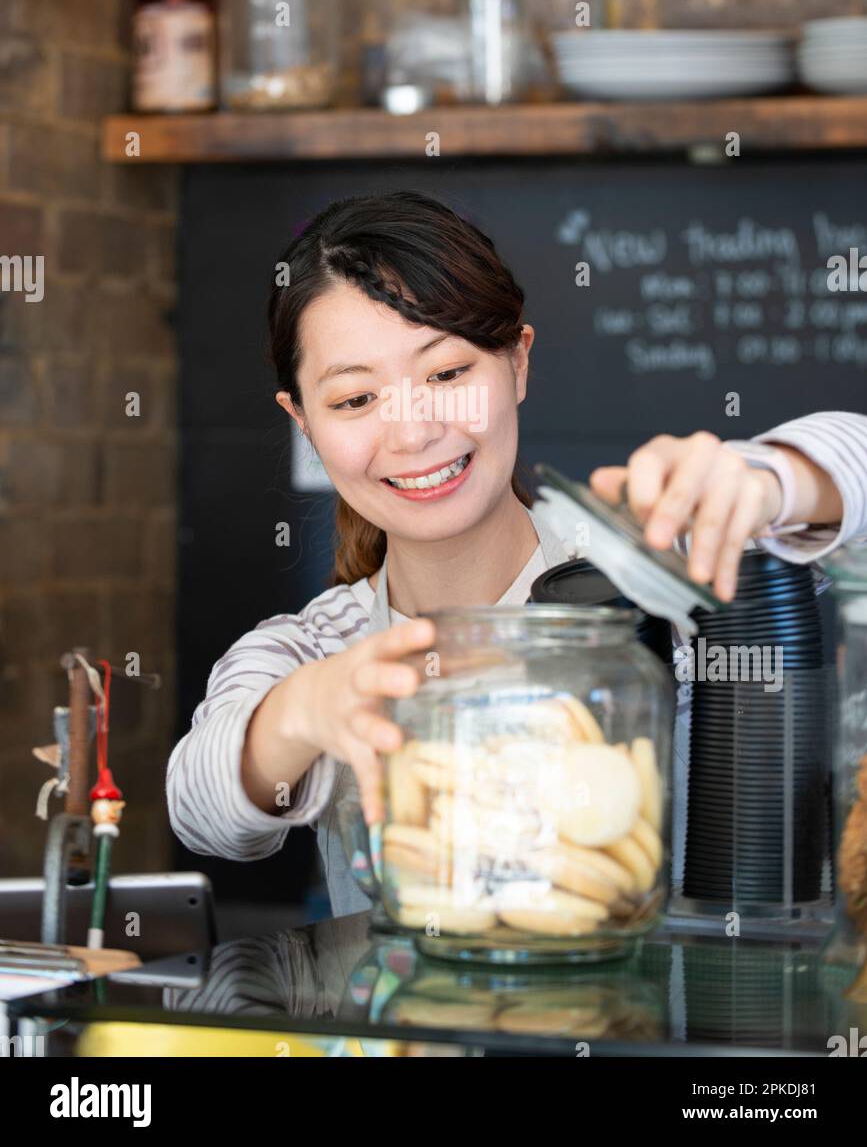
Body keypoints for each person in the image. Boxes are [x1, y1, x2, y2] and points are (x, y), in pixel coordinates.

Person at [166, 191, 867, 919]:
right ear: (304, 421)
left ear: (517, 363)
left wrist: (770, 481)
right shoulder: (311, 650)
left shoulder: (666, 570)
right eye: (355, 400)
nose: (412, 434)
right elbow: (204, 816)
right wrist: (301, 711)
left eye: (446, 375)